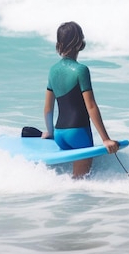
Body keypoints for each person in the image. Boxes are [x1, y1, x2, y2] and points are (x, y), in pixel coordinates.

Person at [43, 21, 119, 178]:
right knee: (80, 184)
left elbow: (48, 108)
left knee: (72, 182)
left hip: (59, 135)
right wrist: (106, 139)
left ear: (59, 43)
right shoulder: (81, 70)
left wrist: (50, 132)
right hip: (78, 134)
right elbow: (90, 106)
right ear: (80, 43)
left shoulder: (52, 70)